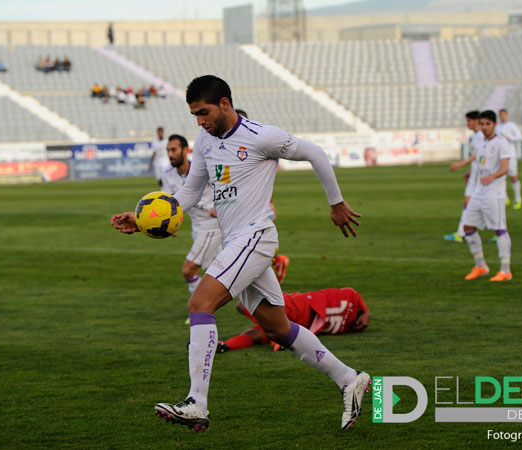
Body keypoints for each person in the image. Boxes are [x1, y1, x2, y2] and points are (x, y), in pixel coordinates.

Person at [111, 75, 369, 432]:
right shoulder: (203, 142)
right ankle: (348, 378)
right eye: (194, 115)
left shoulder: (261, 136)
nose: (199, 122)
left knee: (200, 304)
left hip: (255, 237)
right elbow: (187, 194)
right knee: (277, 328)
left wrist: (336, 203)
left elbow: (315, 152)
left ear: (225, 104)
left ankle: (196, 403)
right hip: (235, 242)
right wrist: (141, 220)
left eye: (203, 112)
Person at [161, 134, 222, 299]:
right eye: (168, 150)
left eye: (174, 149)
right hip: (197, 227)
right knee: (221, 273)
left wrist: (219, 207)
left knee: (189, 270)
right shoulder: (167, 174)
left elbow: (223, 188)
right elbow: (167, 201)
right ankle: (272, 264)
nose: (170, 154)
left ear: (186, 150)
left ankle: (198, 309)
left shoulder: (202, 169)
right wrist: (166, 223)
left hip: (212, 226)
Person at [217, 287, 370, 353]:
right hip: (302, 324)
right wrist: (366, 312)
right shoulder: (344, 326)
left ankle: (278, 341)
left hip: (298, 306)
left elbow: (352, 292)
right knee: (257, 334)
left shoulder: (350, 299)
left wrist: (366, 310)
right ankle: (226, 345)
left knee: (242, 305)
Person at [235, 107, 290, 283]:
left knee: (242, 248)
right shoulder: (228, 149)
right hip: (235, 206)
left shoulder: (254, 146)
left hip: (254, 207)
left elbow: (263, 179)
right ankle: (276, 263)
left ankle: (276, 262)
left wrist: (270, 202)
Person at [460, 110, 513, 282]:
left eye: (487, 124)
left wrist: (492, 176)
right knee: (467, 227)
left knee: (499, 230)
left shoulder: (501, 143)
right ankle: (481, 265)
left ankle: (505, 270)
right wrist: (470, 174)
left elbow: (505, 168)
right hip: (478, 193)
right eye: (481, 124)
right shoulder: (480, 143)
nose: (484, 127)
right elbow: (479, 164)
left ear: (494, 124)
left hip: (494, 193)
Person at [445, 110, 484, 243]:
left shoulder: (481, 135)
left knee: (482, 204)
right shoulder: (475, 136)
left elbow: (479, 154)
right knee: (468, 203)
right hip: (475, 173)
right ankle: (462, 233)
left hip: (482, 174)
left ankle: (498, 230)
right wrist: (470, 171)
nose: (467, 123)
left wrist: (461, 164)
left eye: (468, 121)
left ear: (476, 121)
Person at [496, 109, 522, 209]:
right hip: (500, 155)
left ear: (506, 115)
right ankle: (505, 198)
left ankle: (518, 200)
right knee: (500, 177)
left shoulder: (512, 125)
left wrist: (508, 137)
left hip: (511, 155)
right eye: (500, 115)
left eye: (503, 115)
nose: (502, 117)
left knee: (513, 177)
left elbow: (519, 137)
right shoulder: (497, 127)